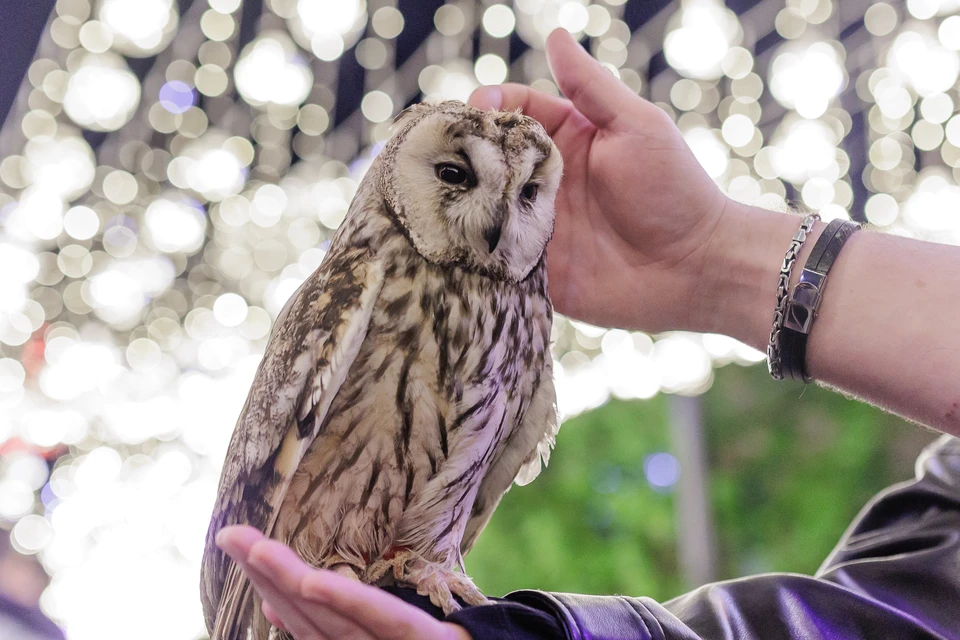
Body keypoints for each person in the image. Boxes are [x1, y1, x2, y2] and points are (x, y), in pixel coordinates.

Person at [215, 28, 960, 640]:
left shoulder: (522, 341)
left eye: (529, 196)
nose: (496, 220)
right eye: (451, 175)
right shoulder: (353, 292)